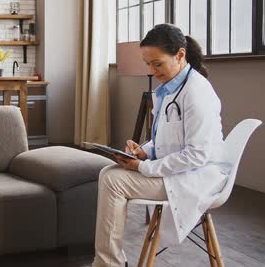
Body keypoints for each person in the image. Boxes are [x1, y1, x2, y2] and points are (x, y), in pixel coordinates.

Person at [92, 24, 228, 266]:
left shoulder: (197, 93)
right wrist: (146, 151)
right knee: (108, 172)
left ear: (180, 55)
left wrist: (142, 168)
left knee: (113, 180)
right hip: (178, 171)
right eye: (148, 64)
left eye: (158, 63)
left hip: (193, 177)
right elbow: (168, 135)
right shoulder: (171, 88)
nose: (153, 71)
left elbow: (197, 155)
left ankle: (107, 264)